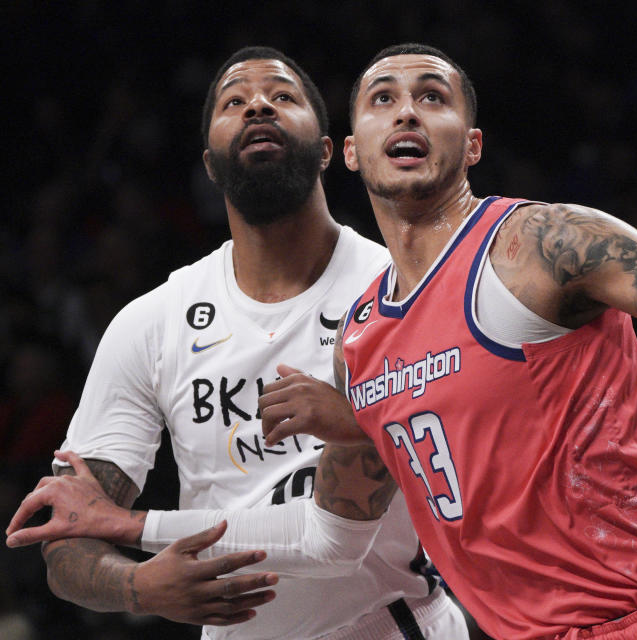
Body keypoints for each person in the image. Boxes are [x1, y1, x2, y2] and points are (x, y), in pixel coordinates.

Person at [9, 43, 637, 640]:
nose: (407, 111)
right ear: (353, 149)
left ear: (472, 143)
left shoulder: (541, 243)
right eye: (382, 98)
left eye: (431, 96)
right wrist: (132, 533)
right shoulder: (365, 344)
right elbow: (323, 536)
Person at [6, 46, 468, 640]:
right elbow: (70, 532)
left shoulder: (394, 295)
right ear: (211, 164)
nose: (257, 105)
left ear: (328, 150)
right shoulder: (153, 322)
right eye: (234, 101)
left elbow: (331, 544)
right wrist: (137, 588)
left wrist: (133, 526)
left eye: (282, 97)